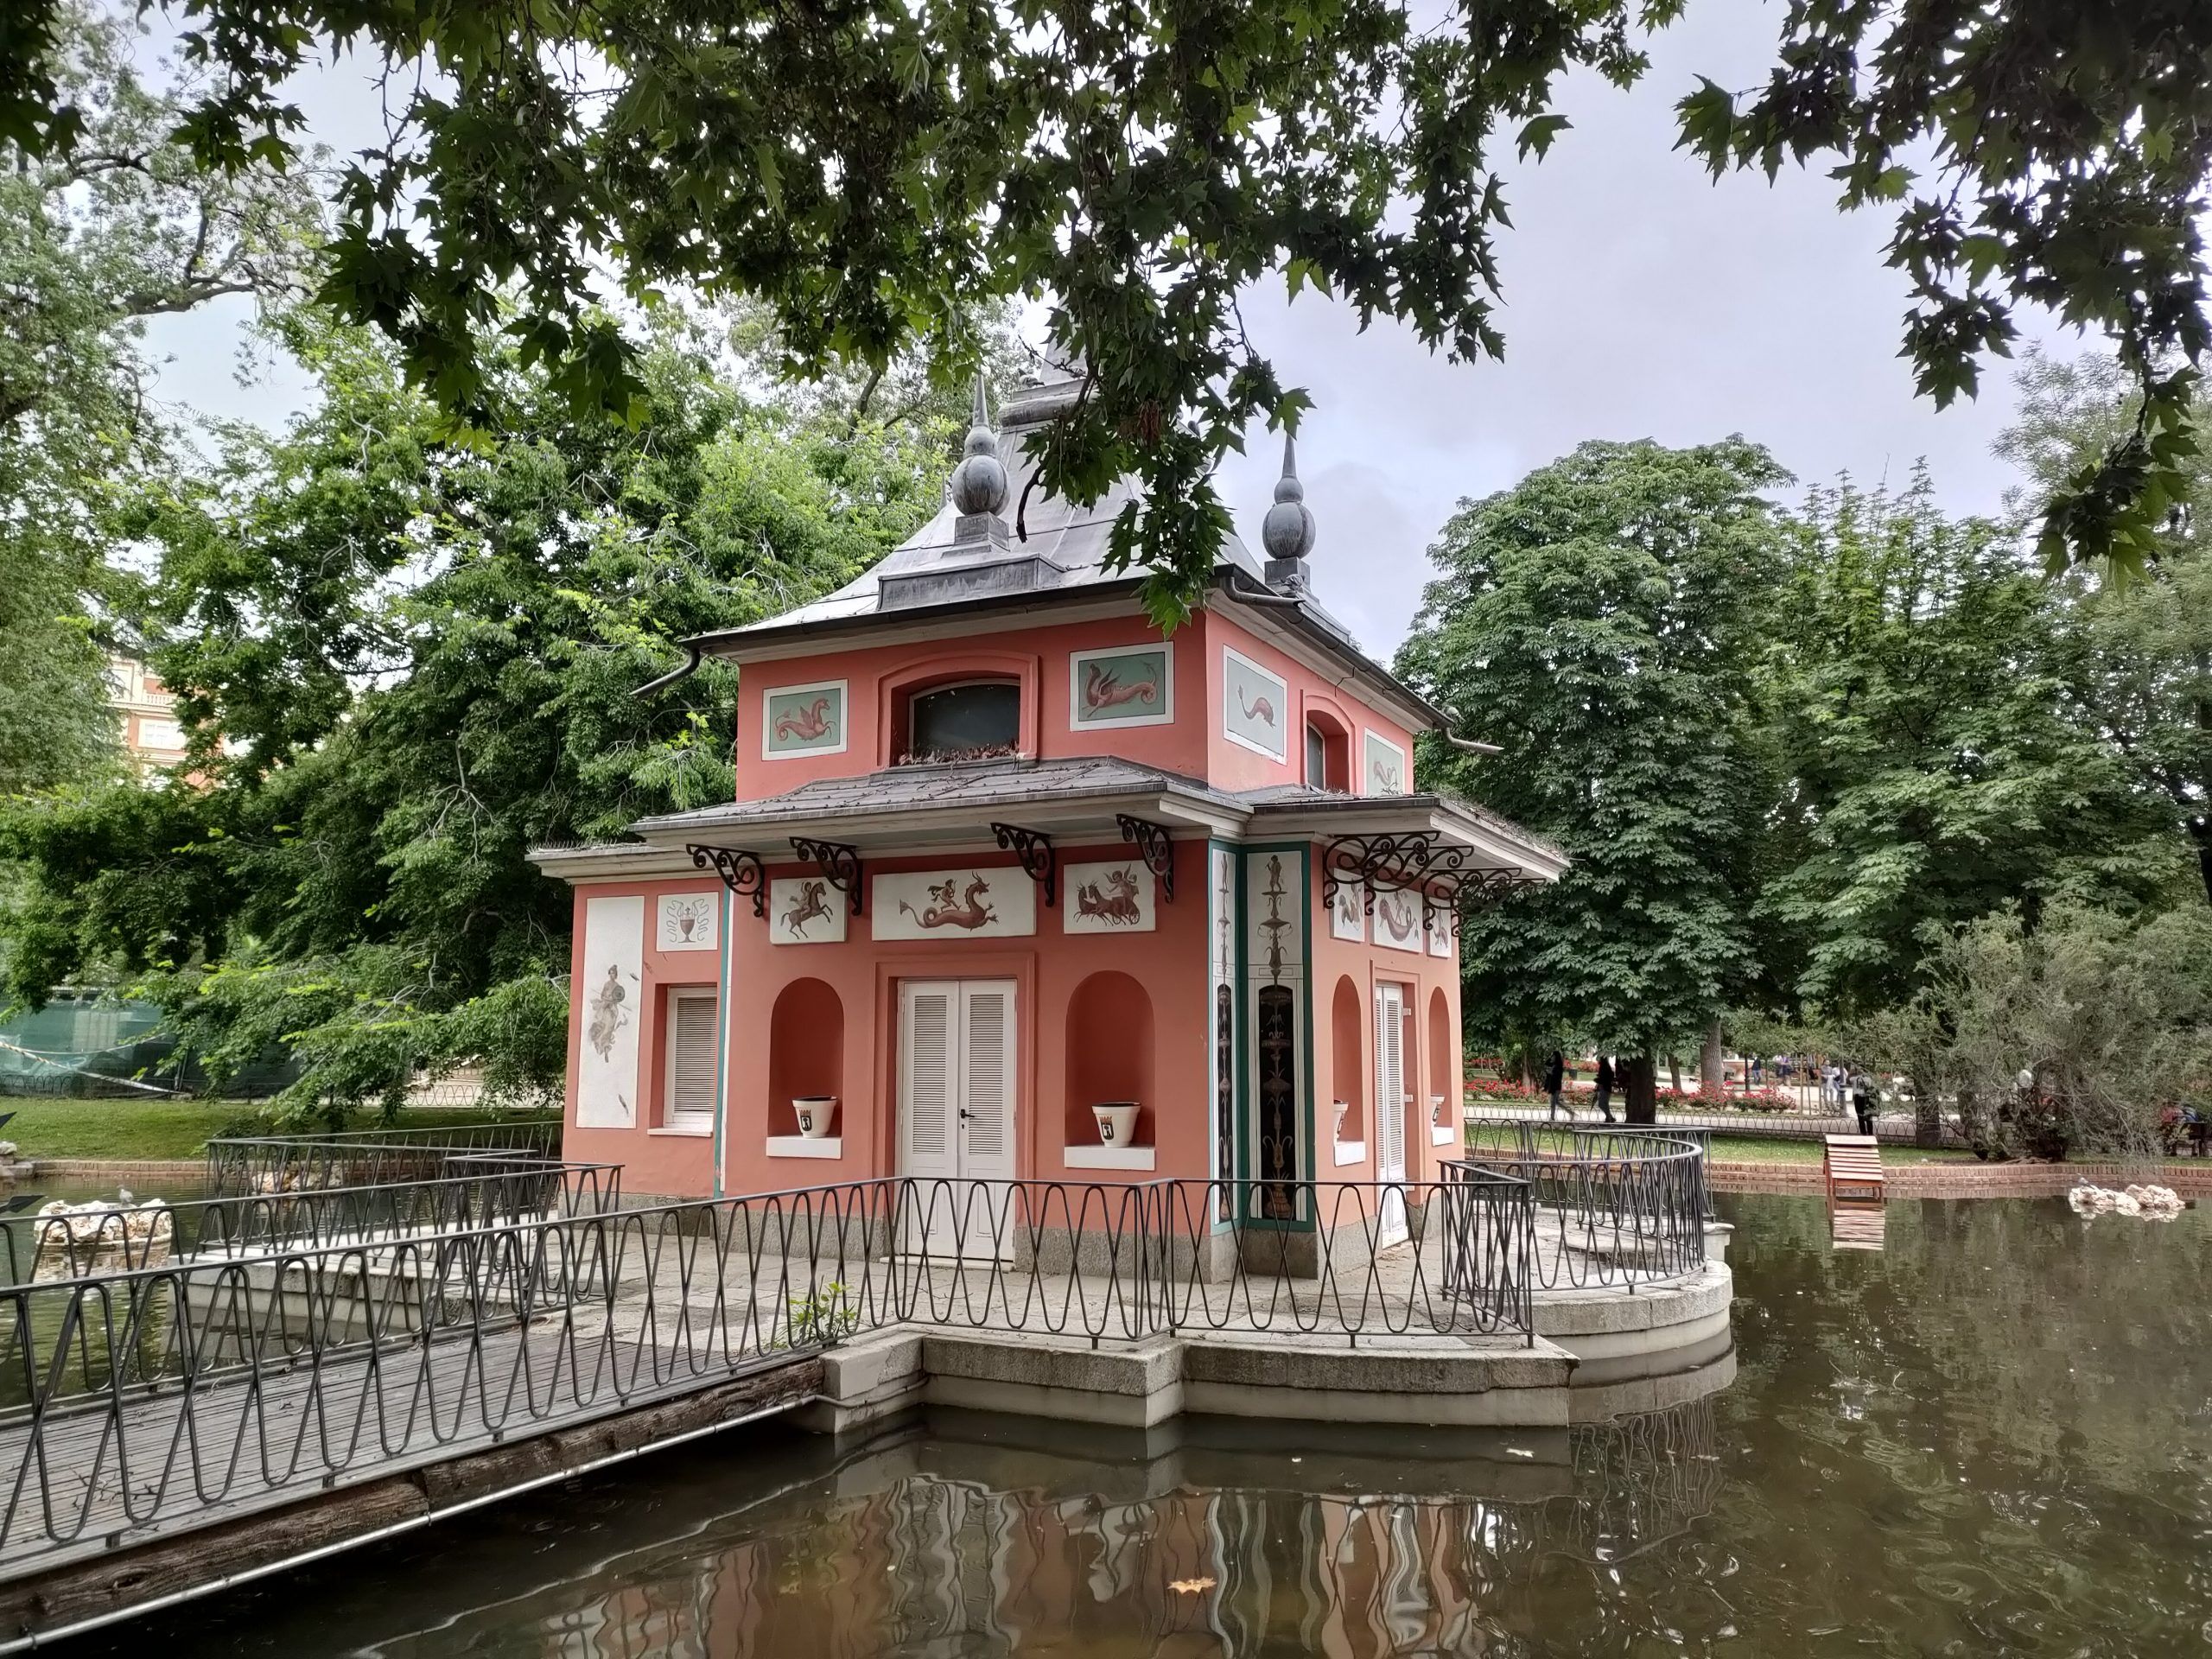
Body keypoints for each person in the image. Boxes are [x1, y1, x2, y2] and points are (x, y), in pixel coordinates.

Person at [1850, 1069, 1877, 1136]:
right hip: (1867, 1098)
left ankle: (1863, 1133)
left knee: (1860, 1116)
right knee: (1868, 1115)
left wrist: (1853, 1072)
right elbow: (1871, 1087)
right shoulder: (1868, 1079)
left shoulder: (1854, 1079)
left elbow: (1848, 1078)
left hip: (1858, 1098)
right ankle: (1870, 1132)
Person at [1593, 1054, 1617, 1123]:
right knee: (1604, 1104)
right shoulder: (1606, 1067)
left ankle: (1609, 1118)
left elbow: (1603, 1079)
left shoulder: (1604, 1068)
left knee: (1602, 1104)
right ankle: (1609, 1118)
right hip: (1607, 1088)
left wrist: (1597, 1080)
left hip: (1605, 1088)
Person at [1543, 1049, 1567, 1121]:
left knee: (1553, 1102)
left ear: (1556, 1057)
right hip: (1554, 1086)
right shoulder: (1554, 1064)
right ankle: (1569, 1112)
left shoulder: (1558, 1066)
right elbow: (1546, 1063)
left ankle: (1552, 1117)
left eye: (1553, 1056)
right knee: (1555, 1102)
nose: (1552, 1057)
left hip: (1556, 1086)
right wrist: (1550, 1056)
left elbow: (1558, 1076)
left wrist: (1551, 1073)